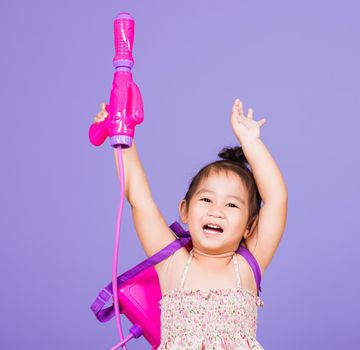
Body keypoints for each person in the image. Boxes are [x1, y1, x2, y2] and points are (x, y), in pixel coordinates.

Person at [93, 98, 288, 349]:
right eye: (206, 199)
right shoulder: (173, 263)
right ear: (184, 211)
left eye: (231, 205)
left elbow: (276, 199)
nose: (216, 210)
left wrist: (251, 143)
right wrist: (122, 135)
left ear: (249, 226)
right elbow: (140, 200)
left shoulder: (249, 264)